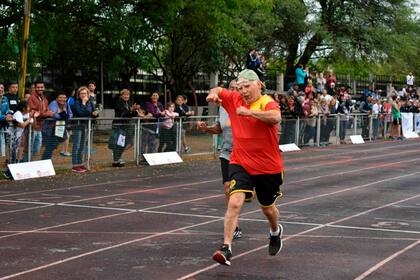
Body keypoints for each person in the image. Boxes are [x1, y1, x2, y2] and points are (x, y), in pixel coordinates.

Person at [206, 69, 285, 266]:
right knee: (234, 202)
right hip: (240, 162)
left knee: (268, 209)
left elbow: (276, 117)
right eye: (240, 88)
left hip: (268, 167)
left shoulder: (266, 102)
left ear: (258, 84)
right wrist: (213, 93)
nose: (243, 91)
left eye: (247, 87)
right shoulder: (234, 98)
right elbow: (218, 89)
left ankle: (275, 231)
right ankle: (226, 248)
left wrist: (250, 112)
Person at [197, 80, 244, 240]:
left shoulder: (246, 105)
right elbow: (220, 127)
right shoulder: (223, 108)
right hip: (227, 153)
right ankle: (235, 225)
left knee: (248, 193)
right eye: (230, 88)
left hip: (245, 153)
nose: (233, 90)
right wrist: (206, 128)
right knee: (228, 188)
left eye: (237, 88)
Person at [110, 89, 142, 167]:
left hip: (127, 126)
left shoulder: (130, 102)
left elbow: (131, 114)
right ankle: (116, 160)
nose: (126, 96)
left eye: (128, 95)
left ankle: (117, 154)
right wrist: (131, 110)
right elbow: (123, 113)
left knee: (129, 143)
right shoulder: (118, 102)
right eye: (124, 94)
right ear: (121, 95)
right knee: (119, 143)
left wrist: (135, 110)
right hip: (119, 125)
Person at [70, 86, 98, 173]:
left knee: (82, 146)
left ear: (88, 94)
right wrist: (83, 103)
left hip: (85, 126)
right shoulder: (76, 103)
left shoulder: (90, 103)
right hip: (77, 125)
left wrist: (94, 114)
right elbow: (80, 113)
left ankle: (80, 163)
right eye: (81, 93)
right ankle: (75, 165)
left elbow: (94, 113)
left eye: (85, 93)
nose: (83, 95)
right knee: (76, 145)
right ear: (78, 94)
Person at [41, 92, 73, 160]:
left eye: (64, 98)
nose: (62, 99)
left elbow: (71, 114)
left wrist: (63, 115)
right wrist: (64, 114)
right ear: (57, 98)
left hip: (59, 128)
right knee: (49, 147)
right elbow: (55, 115)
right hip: (49, 129)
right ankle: (45, 162)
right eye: (60, 97)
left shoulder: (66, 104)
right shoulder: (53, 103)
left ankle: (46, 162)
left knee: (53, 146)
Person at [27, 81, 54, 157]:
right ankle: (25, 165)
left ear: (44, 88)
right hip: (31, 127)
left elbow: (46, 111)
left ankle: (31, 165)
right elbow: (33, 113)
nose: (40, 89)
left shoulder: (45, 99)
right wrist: (47, 114)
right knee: (29, 149)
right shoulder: (31, 98)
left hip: (40, 127)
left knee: (36, 149)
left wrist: (48, 113)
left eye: (41, 87)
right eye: (38, 87)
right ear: (35, 88)